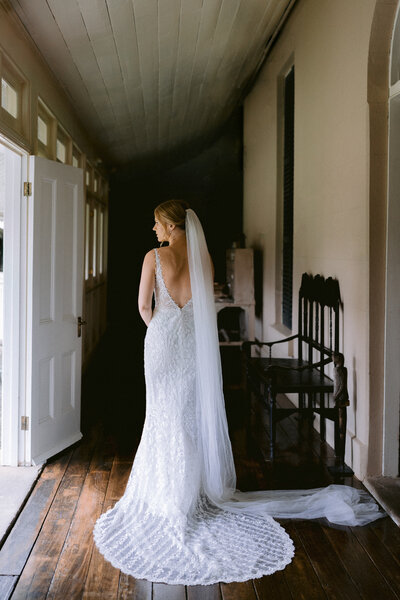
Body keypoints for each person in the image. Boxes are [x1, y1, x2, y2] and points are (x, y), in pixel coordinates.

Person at [93, 200, 384, 585]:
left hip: (162, 343)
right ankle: (189, 489)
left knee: (162, 414)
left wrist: (161, 328)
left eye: (156, 223)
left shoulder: (153, 258)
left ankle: (166, 493)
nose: (154, 230)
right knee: (185, 413)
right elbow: (204, 311)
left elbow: (143, 307)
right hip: (191, 346)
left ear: (169, 223)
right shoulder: (205, 260)